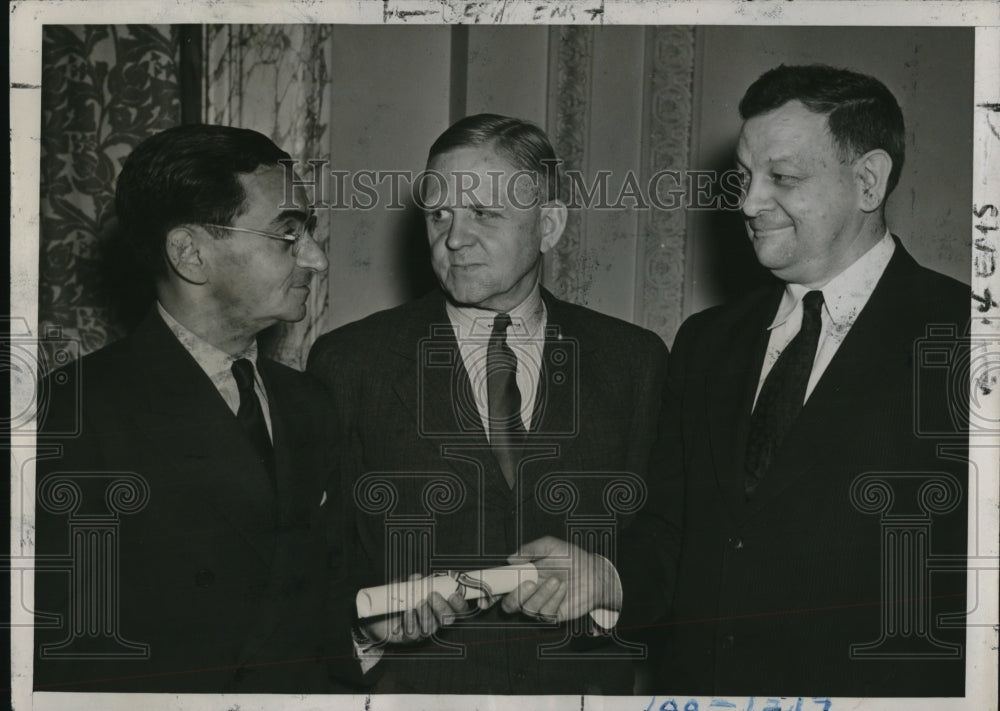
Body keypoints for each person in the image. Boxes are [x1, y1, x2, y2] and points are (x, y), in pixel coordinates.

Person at [33, 124, 448, 693]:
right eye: (287, 235)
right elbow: (55, 654)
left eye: (310, 232)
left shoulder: (308, 402)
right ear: (190, 253)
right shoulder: (74, 410)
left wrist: (369, 629)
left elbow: (305, 608)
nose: (317, 260)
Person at [307, 114, 678, 694]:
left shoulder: (633, 360)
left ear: (549, 224)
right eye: (439, 215)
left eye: (483, 213)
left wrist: (608, 580)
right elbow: (314, 558)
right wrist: (369, 627)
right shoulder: (351, 362)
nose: (454, 239)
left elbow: (668, 539)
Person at [659, 64, 969, 696]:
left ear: (868, 181)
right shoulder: (704, 341)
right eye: (745, 177)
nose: (747, 203)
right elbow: (672, 534)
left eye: (783, 178)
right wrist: (599, 578)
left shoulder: (970, 339)